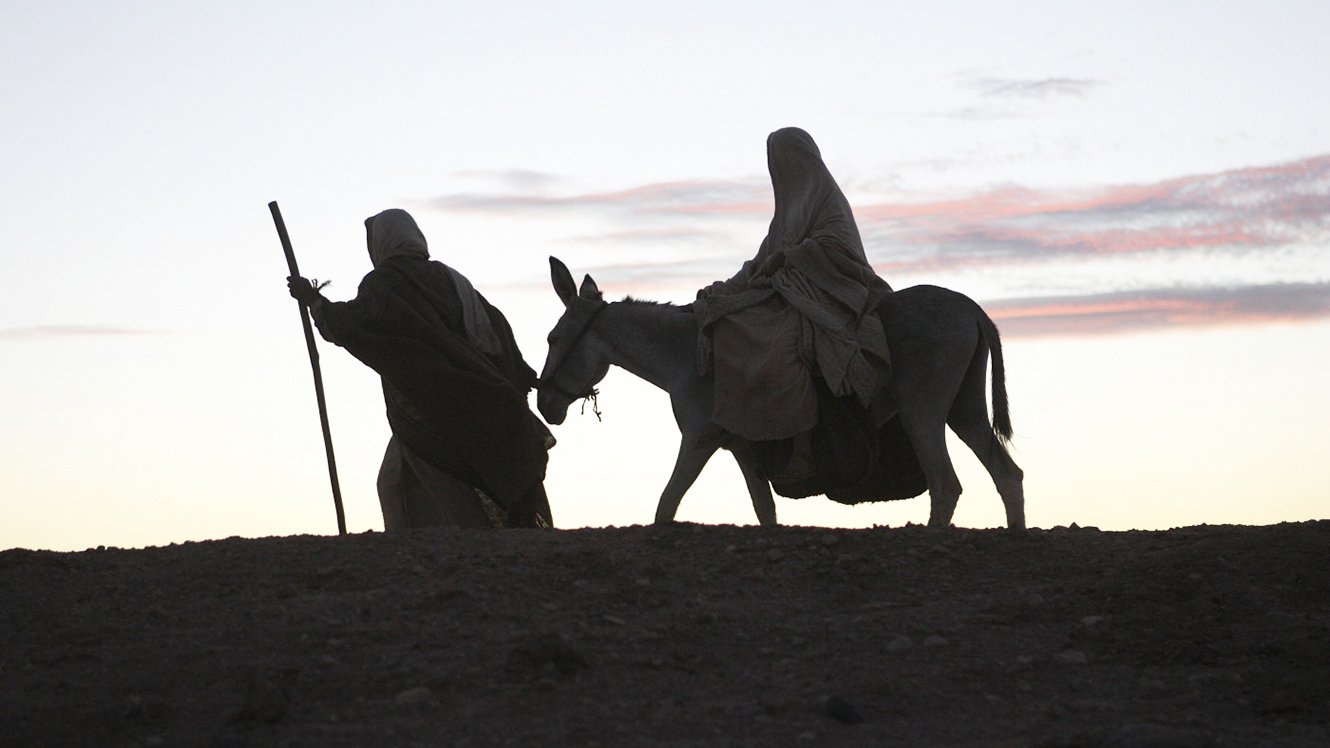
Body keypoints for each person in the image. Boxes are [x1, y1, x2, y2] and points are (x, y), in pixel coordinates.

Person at [287, 208, 553, 529]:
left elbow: (355, 326)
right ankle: (424, 560)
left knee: (442, 491)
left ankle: (446, 554)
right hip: (478, 400)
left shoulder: (382, 283)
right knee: (396, 481)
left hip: (425, 407)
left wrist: (314, 301)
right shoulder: (453, 279)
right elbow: (495, 329)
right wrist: (517, 376)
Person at [694, 127, 893, 484]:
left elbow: (837, 249)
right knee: (743, 325)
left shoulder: (828, 200)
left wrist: (790, 258)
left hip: (835, 290)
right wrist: (725, 289)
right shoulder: (786, 212)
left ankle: (801, 446)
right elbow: (761, 260)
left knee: (783, 341)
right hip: (793, 290)